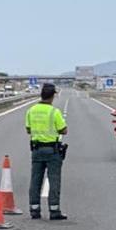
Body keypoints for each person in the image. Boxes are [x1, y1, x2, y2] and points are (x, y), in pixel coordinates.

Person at [24, 83, 68, 220]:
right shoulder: (54, 112)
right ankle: (54, 211)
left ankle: (34, 209)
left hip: (36, 150)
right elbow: (64, 130)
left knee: (35, 179)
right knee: (54, 180)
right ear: (53, 96)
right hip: (52, 150)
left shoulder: (31, 110)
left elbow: (28, 129)